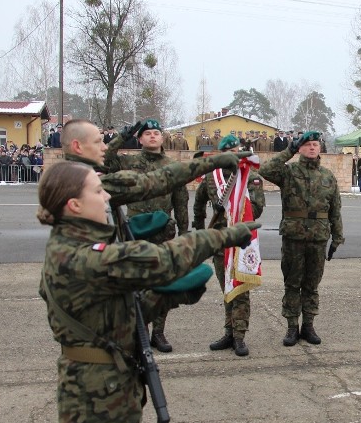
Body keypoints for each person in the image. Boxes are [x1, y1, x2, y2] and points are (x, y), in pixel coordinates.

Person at [37, 159, 258, 423]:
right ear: (73, 205)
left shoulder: (72, 245)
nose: (106, 196)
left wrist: (165, 299)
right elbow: (160, 260)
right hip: (96, 403)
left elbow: (108, 316)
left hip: (102, 391)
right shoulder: (82, 255)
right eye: (96, 191)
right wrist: (225, 235)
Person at [61, 118, 245, 423]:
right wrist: (213, 239)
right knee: (111, 376)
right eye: (99, 140)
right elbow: (147, 186)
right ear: (79, 147)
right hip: (101, 302)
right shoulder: (81, 184)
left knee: (127, 366)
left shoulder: (83, 180)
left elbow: (162, 182)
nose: (106, 144)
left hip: (117, 272)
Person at [104, 119, 191, 354]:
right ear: (140, 139)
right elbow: (105, 159)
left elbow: (181, 202)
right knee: (136, 283)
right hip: (135, 231)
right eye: (147, 134)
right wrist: (123, 136)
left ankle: (159, 333)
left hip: (163, 231)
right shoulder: (129, 161)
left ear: (162, 138)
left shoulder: (172, 166)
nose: (153, 137)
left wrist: (185, 235)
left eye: (156, 133)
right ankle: (139, 331)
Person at [260, 130, 343, 346]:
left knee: (311, 284)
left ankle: (308, 325)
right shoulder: (288, 173)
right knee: (292, 283)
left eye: (315, 144)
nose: (312, 148)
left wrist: (337, 237)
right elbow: (266, 170)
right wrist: (289, 149)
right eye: (307, 145)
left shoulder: (327, 177)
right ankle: (291, 328)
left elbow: (335, 210)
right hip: (293, 237)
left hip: (318, 237)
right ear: (300, 149)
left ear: (320, 148)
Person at [193, 134, 265, 357]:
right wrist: (201, 231)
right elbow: (197, 207)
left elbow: (258, 208)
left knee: (241, 289)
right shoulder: (211, 178)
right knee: (227, 288)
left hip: (241, 241)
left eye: (236, 149)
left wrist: (236, 203)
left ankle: (240, 336)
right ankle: (229, 332)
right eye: (229, 150)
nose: (233, 153)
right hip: (219, 241)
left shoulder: (250, 177)